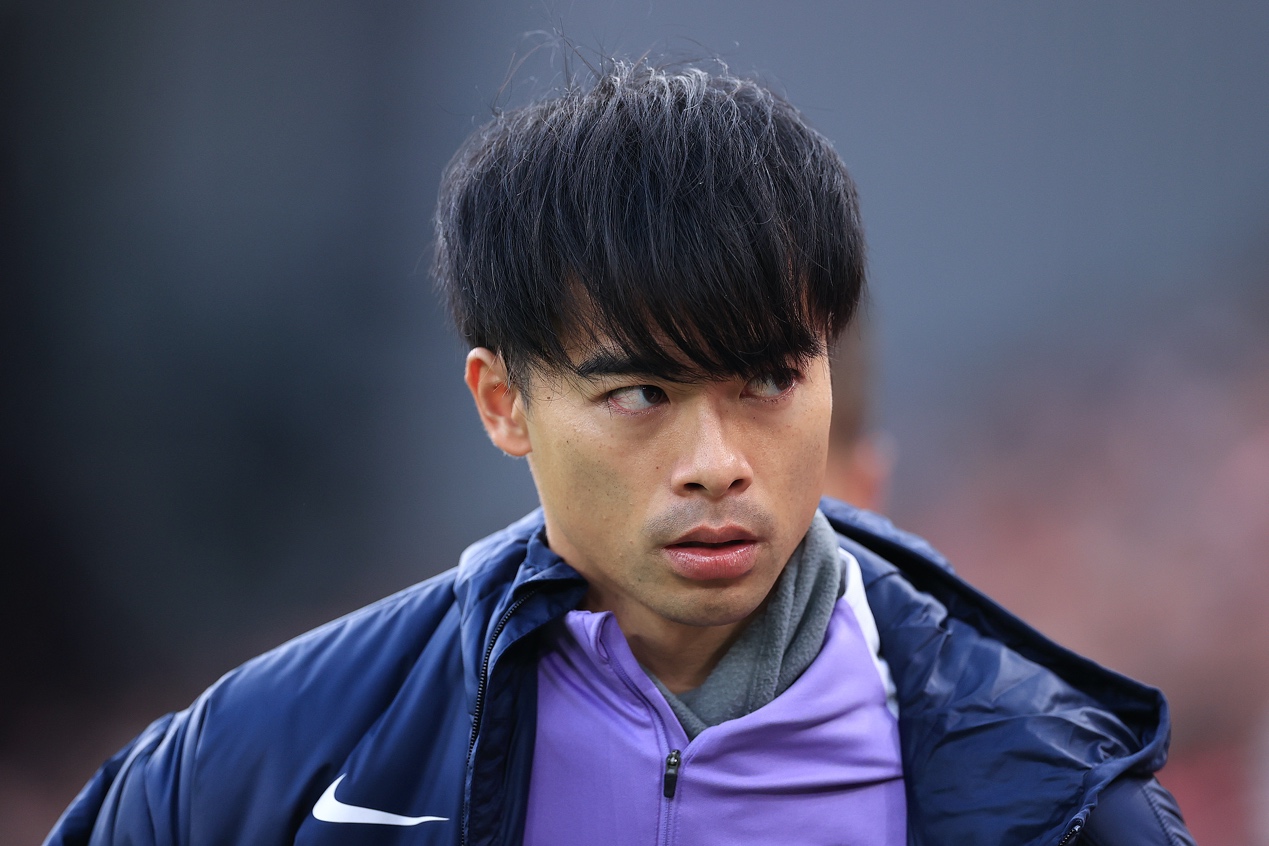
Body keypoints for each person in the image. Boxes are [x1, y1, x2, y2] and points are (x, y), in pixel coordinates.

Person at [47, 59, 1194, 845]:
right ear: (503, 403)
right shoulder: (259, 766)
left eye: (767, 381)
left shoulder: (1062, 793)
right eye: (643, 393)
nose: (716, 462)